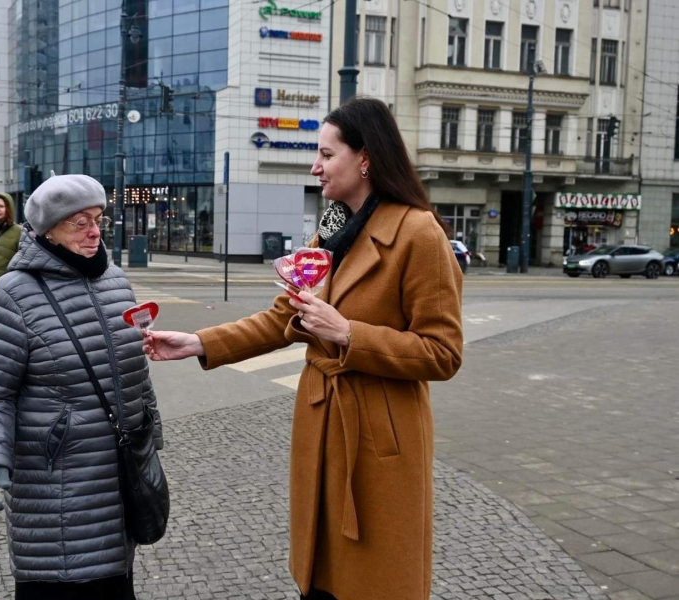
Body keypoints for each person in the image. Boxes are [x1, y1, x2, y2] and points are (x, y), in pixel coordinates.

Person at [144, 98, 463, 600]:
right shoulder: (331, 229)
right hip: (321, 422)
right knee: (321, 574)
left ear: (365, 158)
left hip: (379, 433)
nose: (315, 166)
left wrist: (349, 334)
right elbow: (282, 317)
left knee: (374, 577)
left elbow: (442, 352)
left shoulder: (418, 233)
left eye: (326, 154)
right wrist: (199, 342)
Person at [0, 174, 162, 599]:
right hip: (56, 484)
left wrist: (151, 435)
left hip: (117, 476)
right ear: (47, 231)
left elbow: (133, 368)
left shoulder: (115, 280)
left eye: (99, 220)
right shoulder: (14, 294)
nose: (94, 232)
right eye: (79, 222)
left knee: (115, 580)